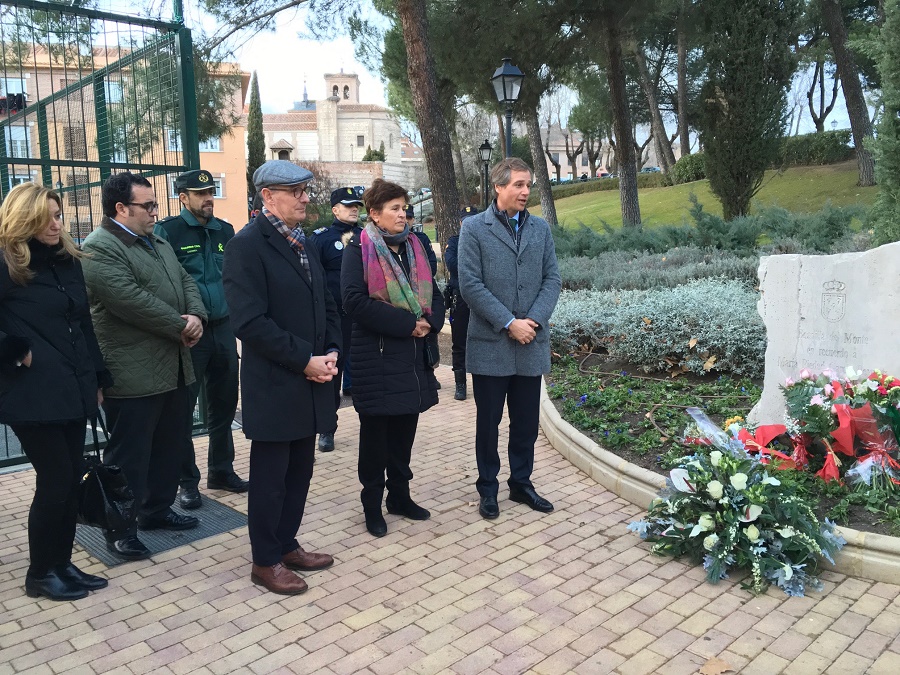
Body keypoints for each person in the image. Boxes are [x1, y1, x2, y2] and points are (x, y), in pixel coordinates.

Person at [223, 160, 339, 595]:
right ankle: (265, 560)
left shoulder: (303, 243)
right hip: (275, 384)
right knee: (271, 478)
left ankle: (287, 543)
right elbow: (250, 323)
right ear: (267, 196)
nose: (306, 198)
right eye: (296, 191)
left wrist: (331, 351)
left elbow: (325, 304)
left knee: (300, 472)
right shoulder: (246, 246)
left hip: (310, 380)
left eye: (306, 190)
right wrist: (303, 360)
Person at [81, 172, 207, 561]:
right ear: (121, 208)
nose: (155, 212)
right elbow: (128, 300)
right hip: (132, 373)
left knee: (169, 446)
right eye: (147, 206)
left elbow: (185, 279)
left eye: (154, 205)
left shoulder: (155, 239)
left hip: (172, 366)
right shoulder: (100, 247)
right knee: (129, 457)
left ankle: (155, 510)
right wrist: (179, 324)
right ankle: (120, 530)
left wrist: (197, 314)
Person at [0, 183, 111, 601]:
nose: (54, 223)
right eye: (44, 216)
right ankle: (40, 573)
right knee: (56, 481)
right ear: (22, 218)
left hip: (71, 386)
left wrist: (98, 377)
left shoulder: (67, 261)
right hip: (31, 394)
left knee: (67, 481)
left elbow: (84, 326)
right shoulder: (6, 261)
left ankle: (61, 564)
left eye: (57, 214)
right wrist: (14, 350)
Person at [458, 157, 562, 520]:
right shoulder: (474, 228)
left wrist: (531, 319)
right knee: (489, 423)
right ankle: (488, 487)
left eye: (528, 185)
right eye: (518, 184)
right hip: (492, 343)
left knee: (526, 423)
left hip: (530, 342)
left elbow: (552, 279)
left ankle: (521, 483)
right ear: (499, 187)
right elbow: (470, 284)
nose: (525, 191)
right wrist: (508, 322)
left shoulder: (540, 229)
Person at [342, 178, 445, 538]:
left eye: (405, 208)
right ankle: (372, 505)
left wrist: (430, 324)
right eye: (395, 209)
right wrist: (407, 324)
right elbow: (354, 302)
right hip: (378, 356)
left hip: (413, 359)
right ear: (375, 213)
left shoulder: (416, 246)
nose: (403, 215)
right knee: (375, 441)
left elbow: (434, 291)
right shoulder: (358, 248)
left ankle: (399, 496)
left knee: (404, 434)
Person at [155, 169, 249, 510]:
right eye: (200, 193)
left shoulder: (224, 230)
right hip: (189, 334)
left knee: (224, 405)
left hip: (223, 328)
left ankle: (221, 471)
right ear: (183, 198)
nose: (208, 197)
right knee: (182, 411)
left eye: (210, 191)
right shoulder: (167, 231)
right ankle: (187, 482)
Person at [308, 186, 364, 452]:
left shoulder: (367, 237)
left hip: (364, 318)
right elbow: (313, 281)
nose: (354, 209)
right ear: (335, 209)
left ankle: (373, 425)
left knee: (367, 373)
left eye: (357, 206)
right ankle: (327, 429)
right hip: (336, 320)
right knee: (333, 374)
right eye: (348, 205)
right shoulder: (320, 239)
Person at [444, 206, 478, 401]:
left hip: (480, 298)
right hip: (460, 297)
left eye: (472, 220)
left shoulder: (484, 241)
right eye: (465, 221)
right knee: (459, 342)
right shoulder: (454, 242)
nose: (468, 224)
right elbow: (453, 266)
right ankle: (460, 384)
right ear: (460, 222)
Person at [405, 204, 437, 276]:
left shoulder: (422, 238)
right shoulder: (392, 241)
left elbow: (432, 264)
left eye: (409, 218)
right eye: (404, 217)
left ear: (413, 220)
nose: (406, 221)